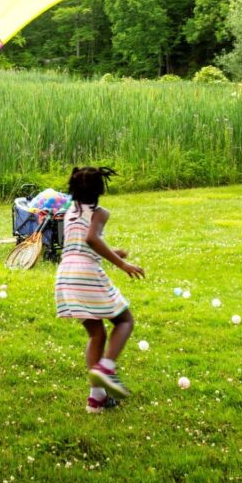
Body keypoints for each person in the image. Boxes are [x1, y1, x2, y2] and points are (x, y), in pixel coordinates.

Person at [54, 167, 144, 413]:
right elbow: (91, 239)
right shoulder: (100, 213)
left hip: (65, 275)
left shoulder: (69, 212)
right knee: (124, 320)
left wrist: (113, 252)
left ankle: (96, 400)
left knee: (96, 334)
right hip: (86, 273)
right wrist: (122, 263)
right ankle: (106, 367)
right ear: (100, 190)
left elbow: (80, 242)